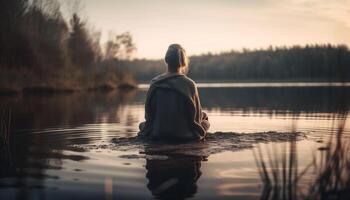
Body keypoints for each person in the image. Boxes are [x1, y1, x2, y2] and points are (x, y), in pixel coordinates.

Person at [138, 44, 210, 141]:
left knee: (142, 125)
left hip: (158, 133)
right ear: (183, 62)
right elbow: (195, 118)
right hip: (184, 135)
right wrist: (202, 116)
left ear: (166, 60)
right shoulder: (189, 84)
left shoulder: (155, 83)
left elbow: (148, 116)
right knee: (205, 120)